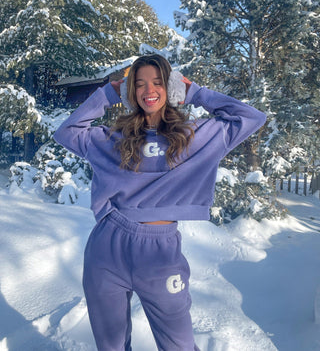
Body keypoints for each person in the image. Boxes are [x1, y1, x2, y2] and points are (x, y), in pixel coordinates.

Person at [53, 54, 266, 351]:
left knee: (178, 346)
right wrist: (108, 93)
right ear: (131, 93)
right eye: (138, 84)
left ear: (172, 88)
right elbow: (66, 133)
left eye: (157, 82)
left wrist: (196, 93)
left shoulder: (197, 135)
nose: (148, 90)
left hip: (160, 254)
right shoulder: (113, 138)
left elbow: (252, 118)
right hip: (107, 249)